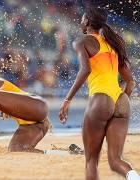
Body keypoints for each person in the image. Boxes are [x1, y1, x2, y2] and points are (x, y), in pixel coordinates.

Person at [58, 7, 139, 180]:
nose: (80, 22)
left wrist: (67, 99)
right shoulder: (114, 44)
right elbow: (131, 81)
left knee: (91, 161)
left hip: (101, 99)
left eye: (81, 19)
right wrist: (120, 99)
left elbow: (85, 70)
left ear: (87, 22)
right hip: (121, 99)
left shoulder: (82, 41)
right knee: (116, 160)